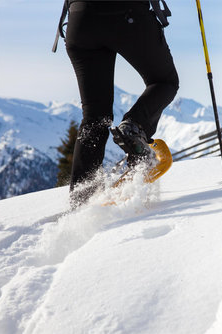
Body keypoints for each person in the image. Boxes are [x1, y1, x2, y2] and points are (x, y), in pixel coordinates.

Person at [54, 0, 179, 206]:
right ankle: (134, 126)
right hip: (126, 14)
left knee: (95, 116)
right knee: (164, 81)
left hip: (80, 19)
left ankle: (83, 200)